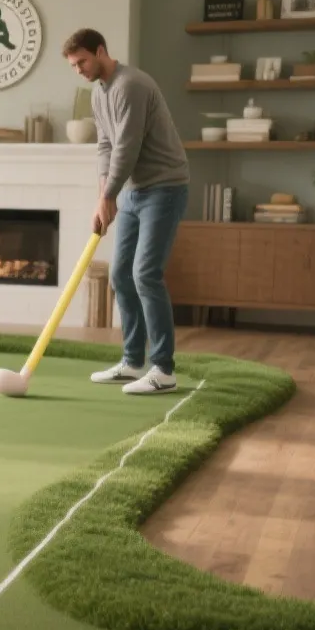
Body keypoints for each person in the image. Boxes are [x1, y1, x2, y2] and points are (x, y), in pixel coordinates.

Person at [64, 28, 190, 395]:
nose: (79, 70)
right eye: (73, 65)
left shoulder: (130, 85)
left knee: (145, 274)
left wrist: (109, 196)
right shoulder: (99, 92)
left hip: (164, 188)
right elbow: (105, 145)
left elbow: (128, 148)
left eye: (82, 61)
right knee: (121, 274)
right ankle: (133, 362)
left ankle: (163, 370)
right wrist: (104, 194)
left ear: (101, 51)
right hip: (134, 191)